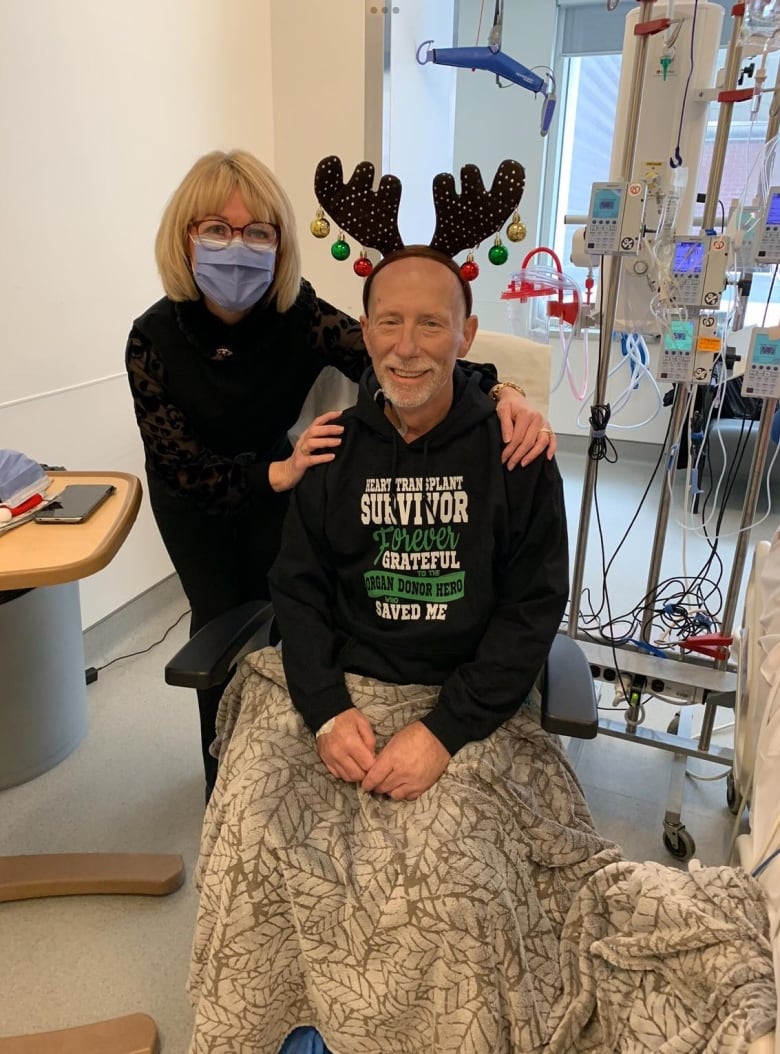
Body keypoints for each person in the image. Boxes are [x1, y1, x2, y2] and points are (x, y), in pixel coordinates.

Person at [186, 246, 619, 1054]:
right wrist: (323, 712)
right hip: (340, 688)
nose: (408, 344)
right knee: (250, 826)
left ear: (469, 335)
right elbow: (300, 592)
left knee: (451, 884)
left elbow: (532, 610)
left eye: (431, 323)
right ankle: (287, 1027)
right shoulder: (329, 449)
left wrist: (444, 732)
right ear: (364, 331)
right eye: (389, 321)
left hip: (462, 702)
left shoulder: (515, 453)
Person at [125, 149, 558, 797]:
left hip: (289, 474)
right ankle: (218, 777)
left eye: (257, 232)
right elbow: (190, 474)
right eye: (215, 229)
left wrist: (501, 395)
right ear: (184, 235)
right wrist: (327, 708)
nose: (236, 247)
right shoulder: (153, 338)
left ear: (464, 335)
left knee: (281, 604)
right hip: (200, 496)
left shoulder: (298, 316)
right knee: (222, 626)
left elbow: (403, 356)